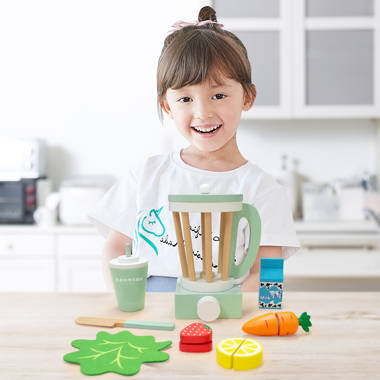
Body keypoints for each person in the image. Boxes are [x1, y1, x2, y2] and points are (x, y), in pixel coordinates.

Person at [89, 6, 299, 292]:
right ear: (167, 106)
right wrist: (127, 305)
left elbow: (267, 275)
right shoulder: (147, 175)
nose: (202, 112)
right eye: (185, 99)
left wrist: (224, 310)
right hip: (151, 320)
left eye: (219, 95)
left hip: (228, 319)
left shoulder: (263, 190)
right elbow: (115, 248)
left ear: (247, 97)